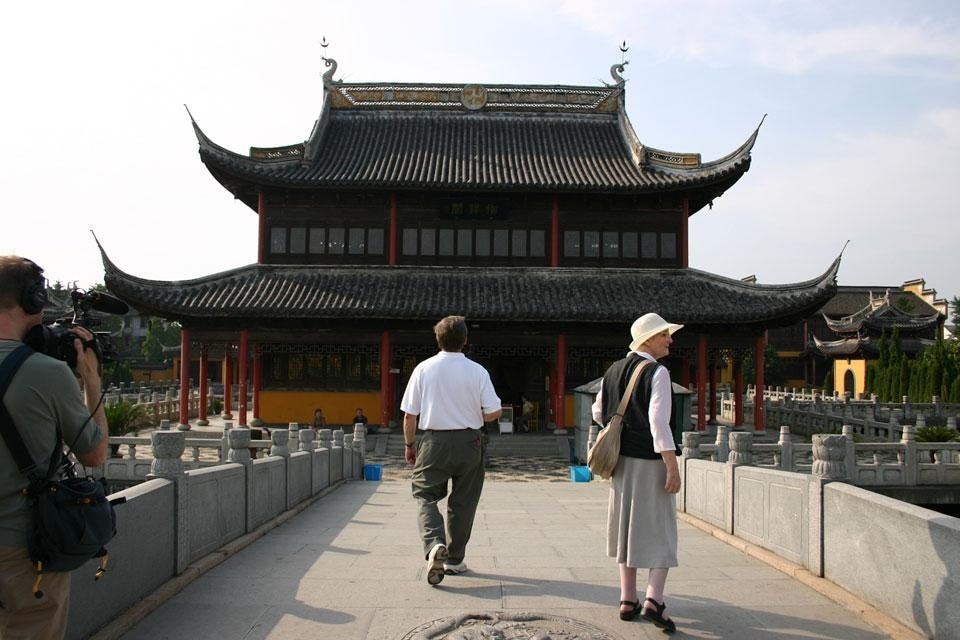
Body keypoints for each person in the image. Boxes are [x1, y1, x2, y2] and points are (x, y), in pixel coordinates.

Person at [0, 256, 108, 640]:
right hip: (20, 551)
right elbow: (94, 455)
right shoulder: (47, 373)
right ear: (34, 299)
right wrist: (91, 377)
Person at [591, 312, 683, 631]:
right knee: (661, 530)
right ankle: (654, 600)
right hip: (650, 461)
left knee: (625, 529)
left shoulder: (614, 370)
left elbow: (598, 412)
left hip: (621, 463)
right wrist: (672, 466)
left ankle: (627, 599)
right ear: (647, 340)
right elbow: (659, 423)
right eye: (663, 335)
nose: (670, 339)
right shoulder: (656, 372)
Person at [401, 315, 501, 586]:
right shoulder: (477, 371)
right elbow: (494, 411)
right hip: (470, 442)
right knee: (464, 501)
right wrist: (476, 415)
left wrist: (410, 445)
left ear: (437, 338)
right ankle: (455, 559)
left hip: (434, 442)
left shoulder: (423, 369)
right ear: (465, 341)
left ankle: (434, 543)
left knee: (424, 494)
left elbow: (410, 415)